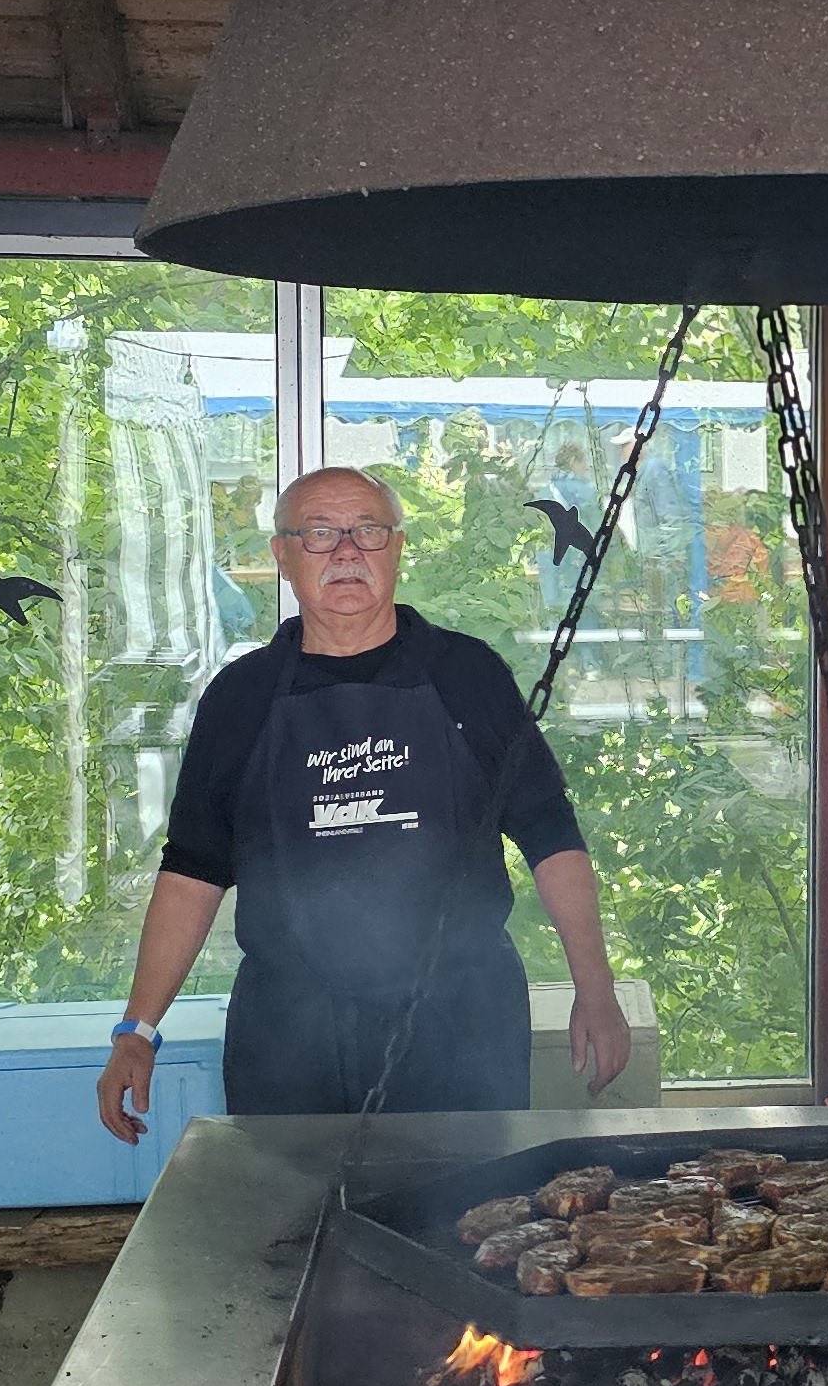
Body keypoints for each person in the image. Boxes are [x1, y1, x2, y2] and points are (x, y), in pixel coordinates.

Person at [99, 466, 628, 1133]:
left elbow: (552, 837)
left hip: (459, 1023)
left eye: (368, 531)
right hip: (289, 1036)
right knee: (290, 1227)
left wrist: (597, 988)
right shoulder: (241, 698)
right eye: (320, 533)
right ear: (282, 554)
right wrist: (137, 1029)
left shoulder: (469, 676)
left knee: (464, 1224)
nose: (347, 552)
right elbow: (192, 872)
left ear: (398, 547)